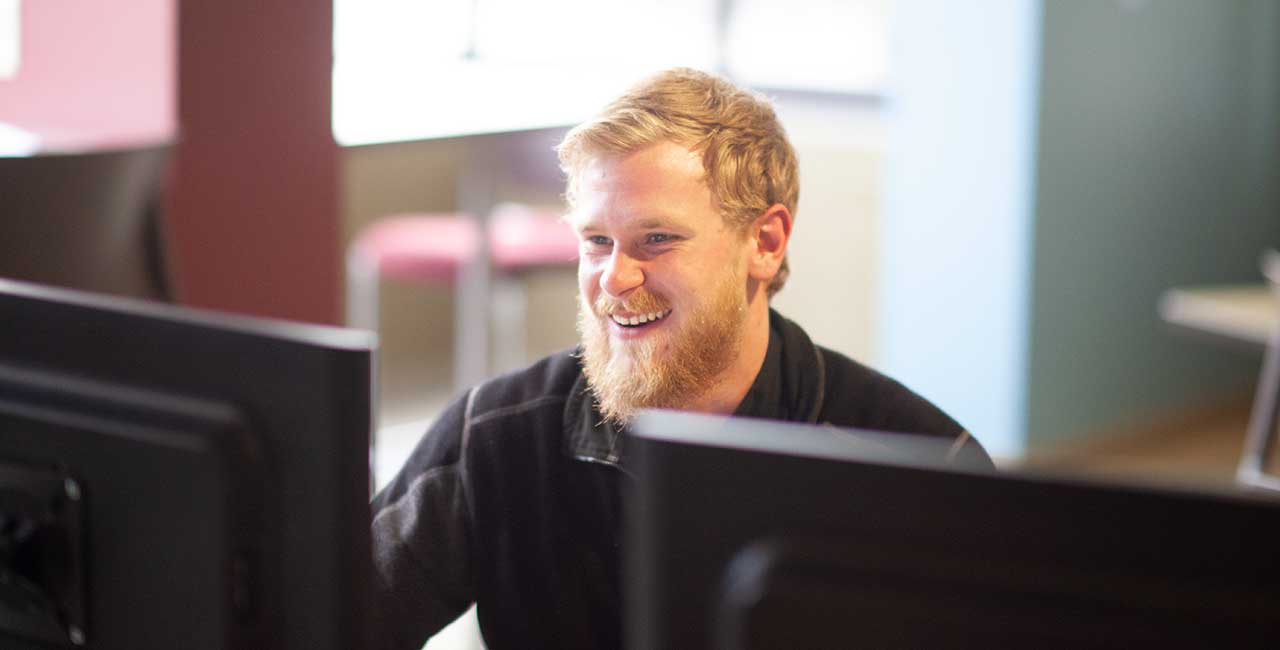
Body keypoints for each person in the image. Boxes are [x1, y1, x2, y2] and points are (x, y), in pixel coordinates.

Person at [370, 67, 991, 649]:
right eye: (597, 242)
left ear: (765, 242)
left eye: (657, 239)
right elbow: (334, 619)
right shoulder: (499, 433)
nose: (614, 278)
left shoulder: (922, 466)